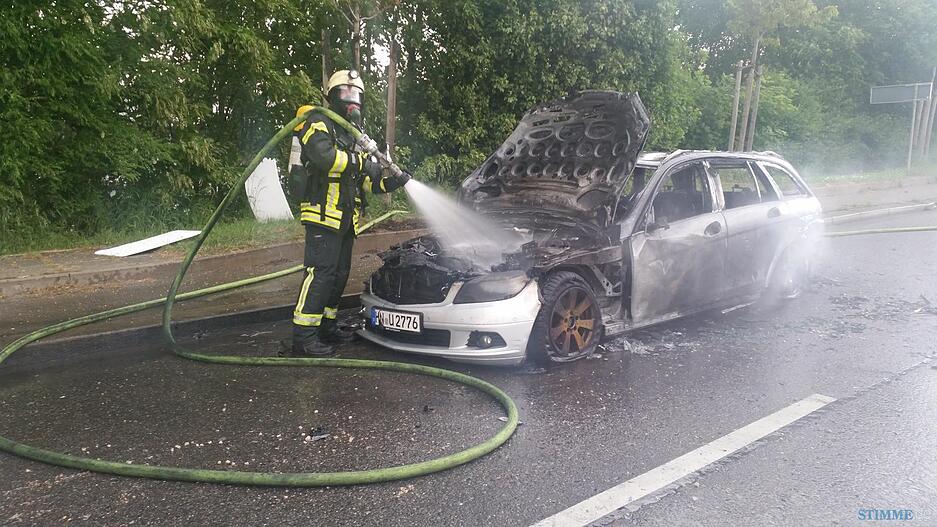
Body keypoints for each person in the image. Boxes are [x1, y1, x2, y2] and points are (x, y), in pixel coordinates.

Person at [286, 69, 409, 357]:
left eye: (357, 95)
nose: (353, 100)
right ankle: (303, 337)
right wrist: (359, 160)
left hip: (345, 219)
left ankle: (326, 326)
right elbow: (324, 158)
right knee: (320, 274)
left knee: (339, 274)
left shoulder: (352, 135)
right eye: (346, 94)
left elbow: (368, 180)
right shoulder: (316, 122)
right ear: (332, 96)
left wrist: (394, 179)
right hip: (321, 214)